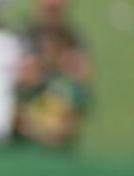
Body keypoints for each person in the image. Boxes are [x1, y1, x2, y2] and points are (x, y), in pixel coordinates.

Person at [14, 0, 91, 149]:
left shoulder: (73, 38)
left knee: (65, 91)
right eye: (48, 9)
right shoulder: (25, 37)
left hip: (60, 128)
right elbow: (22, 76)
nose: (51, 15)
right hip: (27, 126)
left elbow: (82, 73)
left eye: (55, 10)